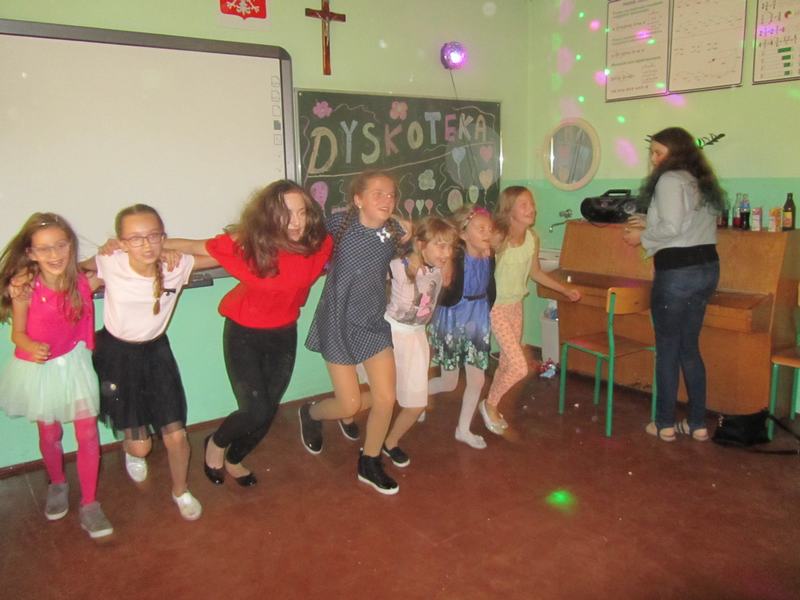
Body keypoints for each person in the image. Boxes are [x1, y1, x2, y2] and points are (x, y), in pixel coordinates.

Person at [163, 180, 332, 487]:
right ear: (269, 216)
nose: (296, 222)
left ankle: (235, 457)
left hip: (284, 332)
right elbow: (193, 246)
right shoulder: (250, 244)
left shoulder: (318, 245)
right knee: (255, 409)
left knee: (268, 410)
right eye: (286, 214)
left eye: (302, 212)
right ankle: (216, 443)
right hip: (244, 332)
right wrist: (140, 244)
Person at [87, 204, 211, 520]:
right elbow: (69, 271)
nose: (146, 245)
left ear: (163, 237)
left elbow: (220, 253)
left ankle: (181, 490)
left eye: (154, 236)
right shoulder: (110, 262)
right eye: (135, 238)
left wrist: (171, 248)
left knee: (177, 435)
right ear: (121, 242)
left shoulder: (175, 265)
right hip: (117, 355)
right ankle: (132, 450)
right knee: (141, 446)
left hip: (156, 353)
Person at [0, 213, 113, 539]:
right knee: (49, 433)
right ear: (31, 253)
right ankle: (58, 483)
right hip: (41, 369)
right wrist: (30, 345)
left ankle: (90, 504)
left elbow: (112, 267)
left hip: (75, 363)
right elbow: (17, 334)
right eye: (44, 248)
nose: (54, 254)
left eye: (61, 245)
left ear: (71, 246)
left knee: (87, 433)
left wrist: (112, 250)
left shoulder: (82, 282)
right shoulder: (25, 287)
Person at [300, 170, 406, 495]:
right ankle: (311, 413)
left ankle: (369, 461)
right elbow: (302, 242)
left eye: (391, 194)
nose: (387, 199)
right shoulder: (338, 225)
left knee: (386, 398)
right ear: (358, 200)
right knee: (349, 405)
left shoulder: (394, 231)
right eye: (378, 193)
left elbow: (415, 246)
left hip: (372, 322)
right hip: (337, 320)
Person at [623, 127, 724, 442]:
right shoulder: (700, 180)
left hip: (678, 272)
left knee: (667, 349)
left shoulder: (669, 180)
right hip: (707, 268)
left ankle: (664, 424)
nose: (653, 159)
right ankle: (697, 424)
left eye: (658, 152)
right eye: (652, 152)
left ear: (675, 153)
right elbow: (686, 224)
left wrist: (642, 236)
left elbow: (672, 228)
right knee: (689, 348)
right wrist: (650, 222)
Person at [480, 186, 581, 434]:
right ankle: (489, 405)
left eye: (532, 204)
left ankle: (491, 404)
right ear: (509, 210)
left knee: (507, 363)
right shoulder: (499, 238)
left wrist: (564, 290)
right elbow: (478, 265)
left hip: (516, 306)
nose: (532, 209)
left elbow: (535, 273)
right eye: (524, 205)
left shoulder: (532, 238)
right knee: (518, 366)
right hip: (496, 307)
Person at [378, 216, 458, 467]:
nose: (447, 253)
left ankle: (390, 442)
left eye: (450, 247)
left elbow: (445, 272)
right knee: (382, 396)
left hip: (417, 337)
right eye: (441, 246)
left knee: (415, 403)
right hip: (391, 335)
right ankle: (351, 421)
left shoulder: (440, 269)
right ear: (422, 244)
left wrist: (442, 258)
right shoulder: (398, 265)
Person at [427, 206, 495, 450]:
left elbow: (489, 285)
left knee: (477, 380)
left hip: (478, 319)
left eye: (489, 228)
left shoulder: (489, 255)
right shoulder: (454, 257)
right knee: (449, 382)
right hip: (454, 320)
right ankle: (416, 397)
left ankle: (463, 430)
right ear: (464, 234)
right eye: (480, 228)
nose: (487, 233)